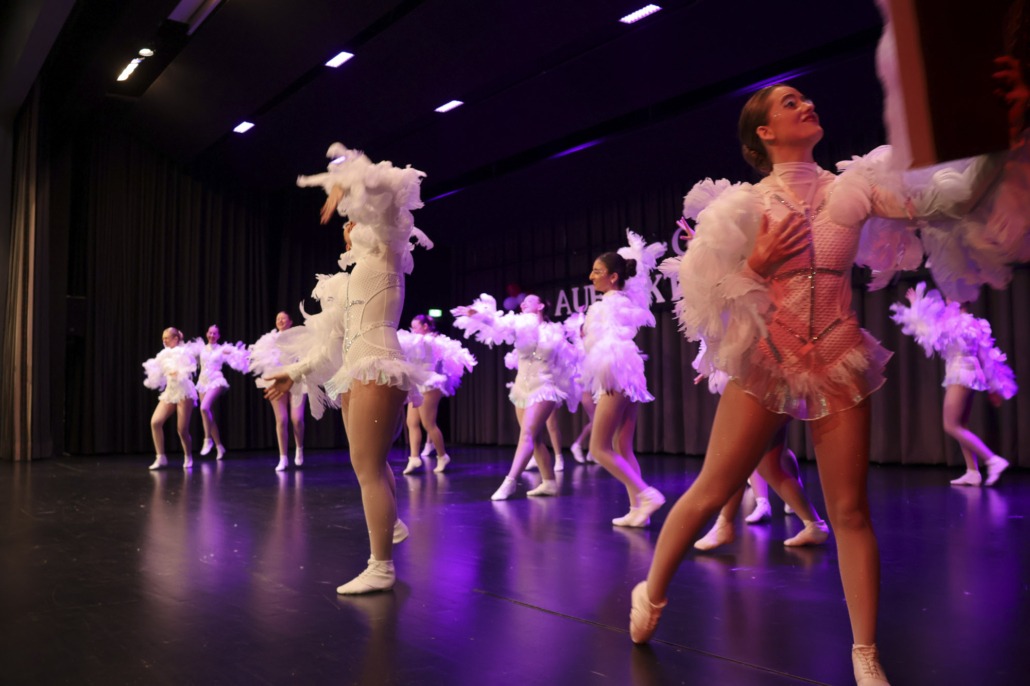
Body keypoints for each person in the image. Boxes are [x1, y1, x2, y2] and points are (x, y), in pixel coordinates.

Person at [630, 73, 1025, 686]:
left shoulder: (853, 189)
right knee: (712, 490)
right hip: (768, 359)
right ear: (765, 133)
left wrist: (1003, 137)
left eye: (806, 98)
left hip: (838, 358)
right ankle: (651, 590)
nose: (807, 104)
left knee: (850, 510)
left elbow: (944, 203)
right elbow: (704, 304)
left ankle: (865, 650)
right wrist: (755, 263)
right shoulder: (744, 207)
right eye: (790, 103)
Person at [265, 143, 431, 595]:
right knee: (369, 464)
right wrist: (294, 372)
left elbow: (388, 189)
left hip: (378, 363)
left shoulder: (386, 250)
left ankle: (381, 566)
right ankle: (391, 524)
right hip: (355, 369)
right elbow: (330, 343)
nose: (349, 225)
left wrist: (345, 178)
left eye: (354, 219)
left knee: (367, 467)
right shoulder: (348, 279)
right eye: (347, 222)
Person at [452, 293, 577, 500]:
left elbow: (569, 360)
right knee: (535, 439)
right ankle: (549, 483)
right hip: (521, 388)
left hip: (545, 386)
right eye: (523, 301)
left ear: (540, 306)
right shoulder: (519, 325)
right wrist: (476, 314)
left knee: (527, 435)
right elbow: (496, 323)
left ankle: (510, 481)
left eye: (530, 300)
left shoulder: (555, 332)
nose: (524, 303)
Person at [890, 282, 1017, 486]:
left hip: (960, 373)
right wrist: (993, 387)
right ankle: (972, 471)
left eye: (950, 294)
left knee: (950, 425)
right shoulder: (973, 323)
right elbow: (986, 356)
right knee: (960, 424)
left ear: (959, 299)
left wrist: (915, 304)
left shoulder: (954, 323)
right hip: (969, 373)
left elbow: (927, 332)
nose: (946, 298)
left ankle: (993, 460)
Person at [582, 230, 667, 527]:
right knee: (623, 445)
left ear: (613, 277)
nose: (591, 276)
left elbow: (598, 341)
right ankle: (637, 510)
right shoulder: (623, 301)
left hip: (614, 367)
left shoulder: (607, 304)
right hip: (628, 369)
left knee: (598, 448)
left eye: (597, 271)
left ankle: (647, 495)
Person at [398, 314, 476, 475]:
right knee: (411, 422)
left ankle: (442, 456)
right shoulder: (417, 340)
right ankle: (414, 458)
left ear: (425, 326)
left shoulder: (431, 341)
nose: (413, 330)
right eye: (412, 327)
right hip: (417, 383)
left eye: (416, 327)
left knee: (428, 423)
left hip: (429, 383)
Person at [249, 312, 307, 471]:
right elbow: (260, 358)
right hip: (276, 380)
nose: (280, 320)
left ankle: (299, 447)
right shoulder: (269, 340)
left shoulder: (298, 337)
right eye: (278, 319)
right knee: (281, 420)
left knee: (297, 419)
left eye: (283, 318)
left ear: (290, 321)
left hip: (296, 380)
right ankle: (283, 457)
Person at [187, 325, 248, 460]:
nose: (212, 335)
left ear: (218, 336)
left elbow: (236, 356)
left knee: (204, 408)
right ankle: (219, 446)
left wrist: (239, 354)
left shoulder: (221, 350)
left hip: (216, 380)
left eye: (215, 333)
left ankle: (207, 439)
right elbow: (187, 356)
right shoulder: (201, 349)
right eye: (210, 333)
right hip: (202, 383)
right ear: (206, 334)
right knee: (209, 415)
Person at [143, 327, 198, 470]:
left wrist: (178, 372)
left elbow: (189, 368)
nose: (164, 341)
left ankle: (188, 456)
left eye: (167, 338)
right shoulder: (163, 354)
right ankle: (160, 457)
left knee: (182, 429)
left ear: (176, 339)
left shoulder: (184, 352)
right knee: (155, 422)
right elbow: (157, 369)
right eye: (163, 338)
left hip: (184, 392)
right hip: (170, 391)